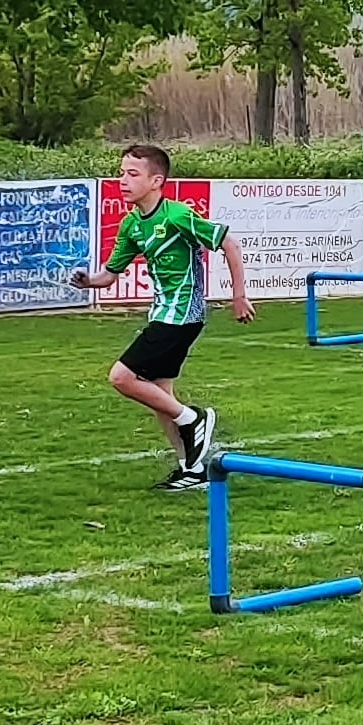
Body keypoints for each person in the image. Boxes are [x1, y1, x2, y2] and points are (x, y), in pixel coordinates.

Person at [67, 141, 253, 483]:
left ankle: (194, 419)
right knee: (160, 396)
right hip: (163, 314)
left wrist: (239, 296)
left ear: (156, 181)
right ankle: (192, 469)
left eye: (132, 174)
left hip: (182, 315)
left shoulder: (178, 216)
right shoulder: (132, 225)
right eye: (121, 173)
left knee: (121, 377)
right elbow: (109, 275)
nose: (123, 180)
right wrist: (88, 281)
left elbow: (229, 243)